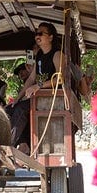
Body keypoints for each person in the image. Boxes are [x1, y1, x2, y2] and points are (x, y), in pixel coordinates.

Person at [8, 22, 64, 151]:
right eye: (36, 34)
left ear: (50, 37)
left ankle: (8, 145)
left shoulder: (57, 54)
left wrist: (38, 86)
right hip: (37, 98)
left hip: (51, 99)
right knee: (9, 109)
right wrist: (18, 97)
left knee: (21, 110)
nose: (37, 36)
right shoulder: (39, 55)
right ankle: (24, 144)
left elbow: (60, 78)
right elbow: (31, 79)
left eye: (41, 33)